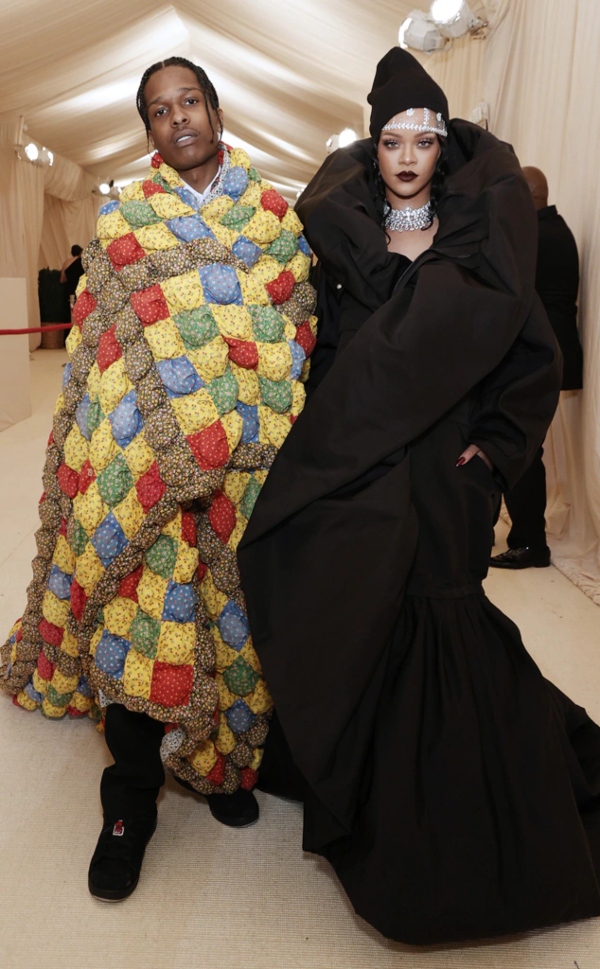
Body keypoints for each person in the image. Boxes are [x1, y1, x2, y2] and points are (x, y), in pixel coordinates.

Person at [237, 49, 600, 945]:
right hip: (356, 463)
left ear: (444, 146)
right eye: (392, 140)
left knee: (443, 620)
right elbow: (313, 353)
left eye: (423, 141)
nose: (406, 156)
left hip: (445, 476)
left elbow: (534, 355)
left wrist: (498, 451)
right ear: (373, 144)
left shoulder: (485, 236)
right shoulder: (334, 233)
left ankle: (461, 826)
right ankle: (359, 788)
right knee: (354, 610)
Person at [0, 56, 316, 901]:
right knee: (144, 623)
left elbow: (290, 328)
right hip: (147, 465)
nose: (178, 119)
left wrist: (234, 424)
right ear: (147, 132)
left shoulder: (274, 216)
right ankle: (130, 805)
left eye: (189, 103)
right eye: (159, 111)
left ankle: (228, 765)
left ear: (216, 109)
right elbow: (101, 351)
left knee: (238, 619)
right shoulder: (125, 220)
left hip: (249, 466)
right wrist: (148, 450)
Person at [491, 166, 583, 569]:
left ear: (528, 195)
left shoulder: (536, 237)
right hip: (554, 355)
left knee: (523, 450)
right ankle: (528, 539)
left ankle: (531, 543)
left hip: (539, 358)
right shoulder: (557, 230)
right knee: (526, 448)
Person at [60, 244, 85, 319]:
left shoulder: (66, 262)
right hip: (79, 289)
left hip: (68, 289)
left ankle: (68, 330)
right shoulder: (82, 262)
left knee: (68, 312)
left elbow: (62, 280)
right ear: (80, 252)